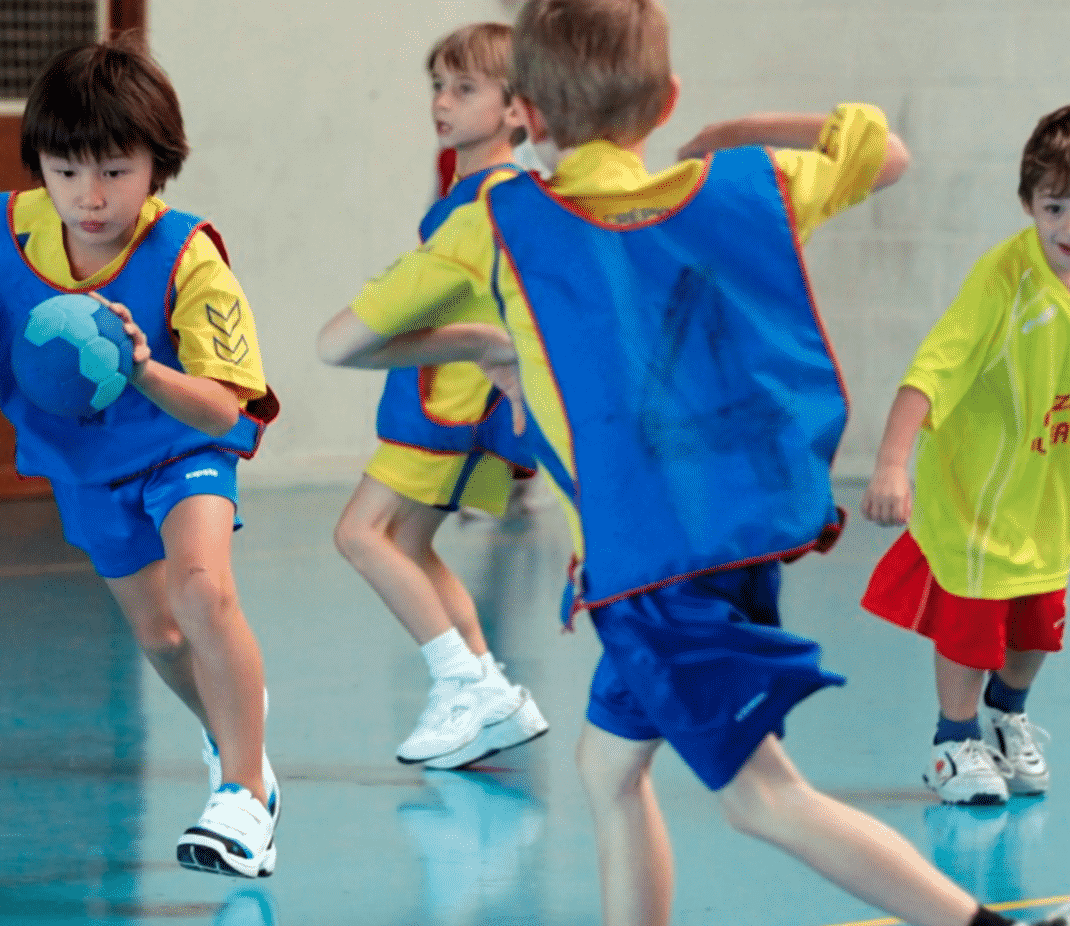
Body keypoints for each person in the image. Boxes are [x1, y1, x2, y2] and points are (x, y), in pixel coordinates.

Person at [318, 2, 1065, 925]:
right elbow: (885, 154)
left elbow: (340, 345)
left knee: (763, 798)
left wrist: (483, 341)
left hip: (653, 573)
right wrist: (744, 129)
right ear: (667, 99)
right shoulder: (748, 183)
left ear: (530, 115)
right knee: (606, 764)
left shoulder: (498, 221)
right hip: (732, 544)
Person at [0, 38, 282, 879]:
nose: (90, 195)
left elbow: (224, 403)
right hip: (85, 463)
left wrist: (143, 368)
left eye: (114, 170)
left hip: (183, 444)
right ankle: (229, 736)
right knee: (163, 635)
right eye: (66, 172)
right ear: (41, 166)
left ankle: (248, 797)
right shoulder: (1, 224)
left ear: (157, 164)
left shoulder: (188, 256)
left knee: (203, 591)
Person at [332, 21, 547, 771]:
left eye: (464, 88)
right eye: (437, 85)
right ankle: (487, 689)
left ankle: (462, 682)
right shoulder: (472, 190)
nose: (442, 101)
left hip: (453, 402)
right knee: (411, 545)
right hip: (447, 397)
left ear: (518, 109)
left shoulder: (496, 198)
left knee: (363, 535)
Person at [860, 105, 1070, 807]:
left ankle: (1006, 714)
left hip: (1046, 498)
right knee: (971, 626)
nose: (1067, 226)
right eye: (1054, 206)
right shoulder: (1003, 283)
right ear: (1027, 203)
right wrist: (891, 462)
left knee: (1038, 623)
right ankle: (953, 741)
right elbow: (930, 371)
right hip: (976, 498)